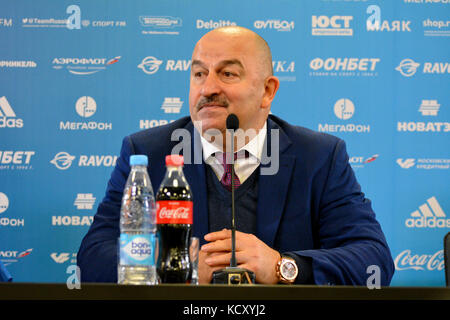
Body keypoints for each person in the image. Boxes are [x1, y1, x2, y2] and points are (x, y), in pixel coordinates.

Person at [77, 26, 394, 285]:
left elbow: (373, 260)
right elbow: (93, 257)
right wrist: (173, 269)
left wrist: (282, 266)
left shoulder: (319, 157)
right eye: (199, 74)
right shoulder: (148, 152)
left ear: (267, 91)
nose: (207, 88)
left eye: (227, 74)